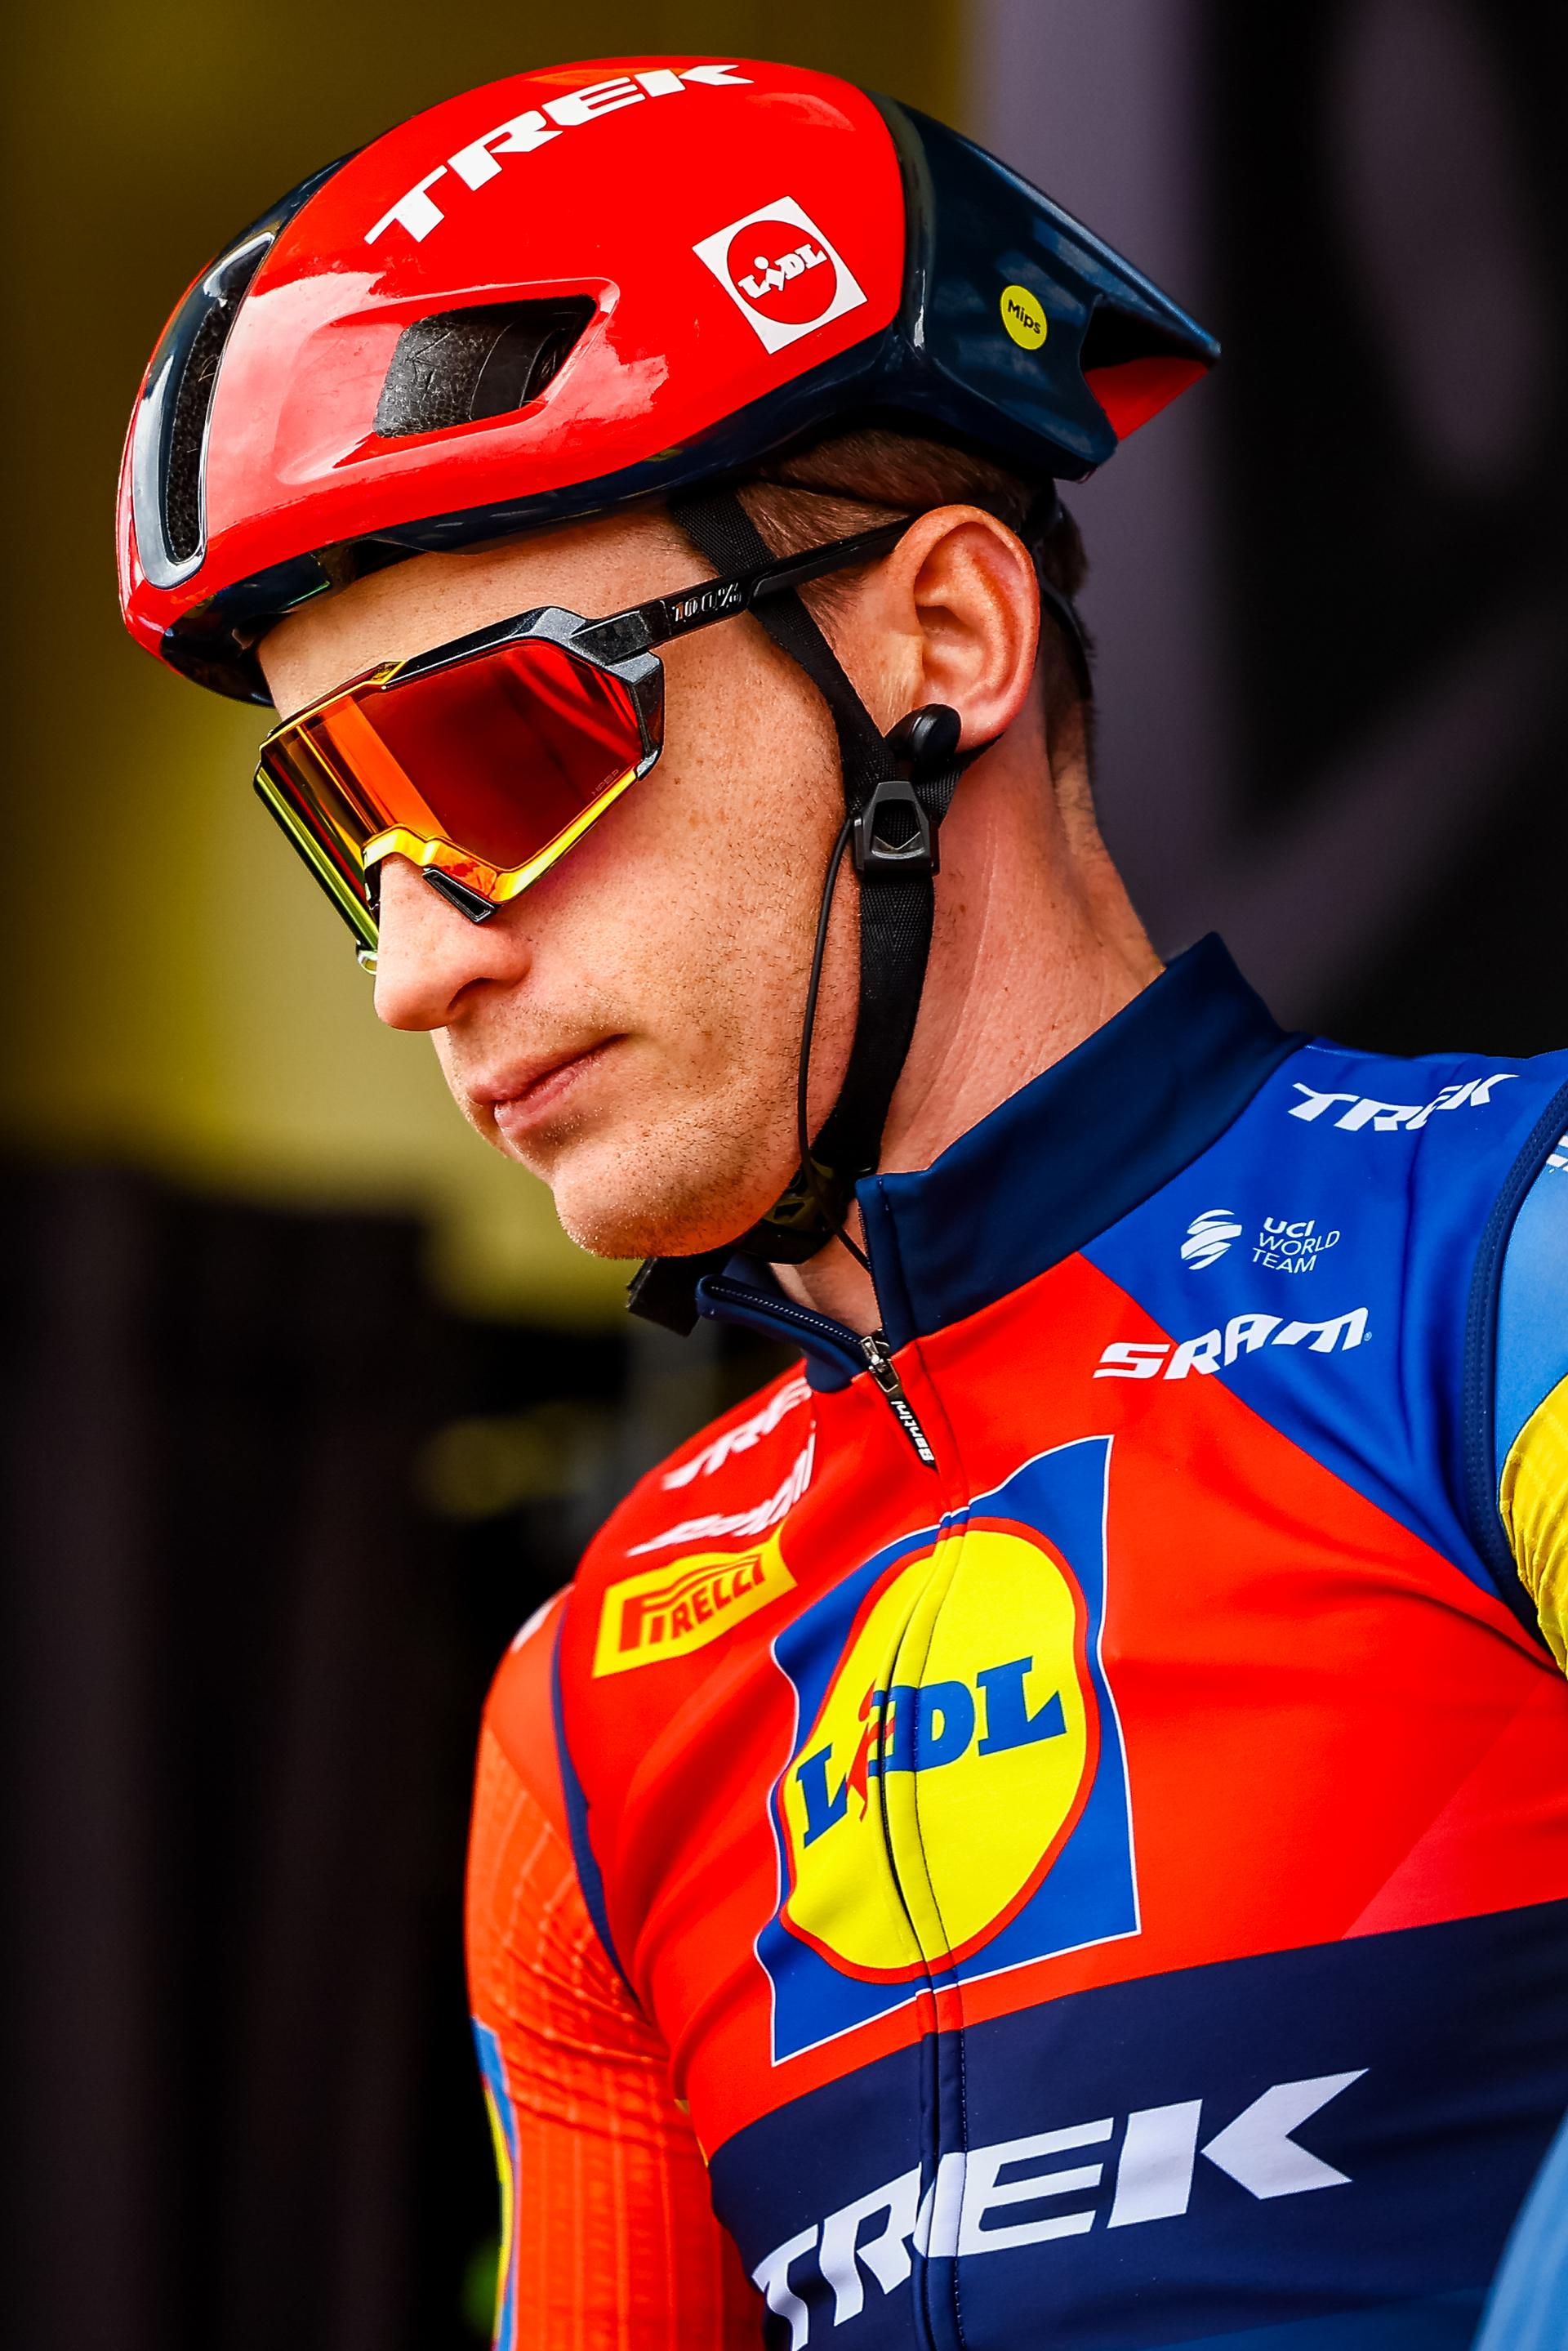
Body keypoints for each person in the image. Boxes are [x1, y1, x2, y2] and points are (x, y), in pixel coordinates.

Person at [117, 53, 1568, 2351]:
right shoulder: (584, 1704)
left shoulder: (1503, 1262)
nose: (412, 967)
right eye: (345, 830)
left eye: (493, 752)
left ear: (947, 641)